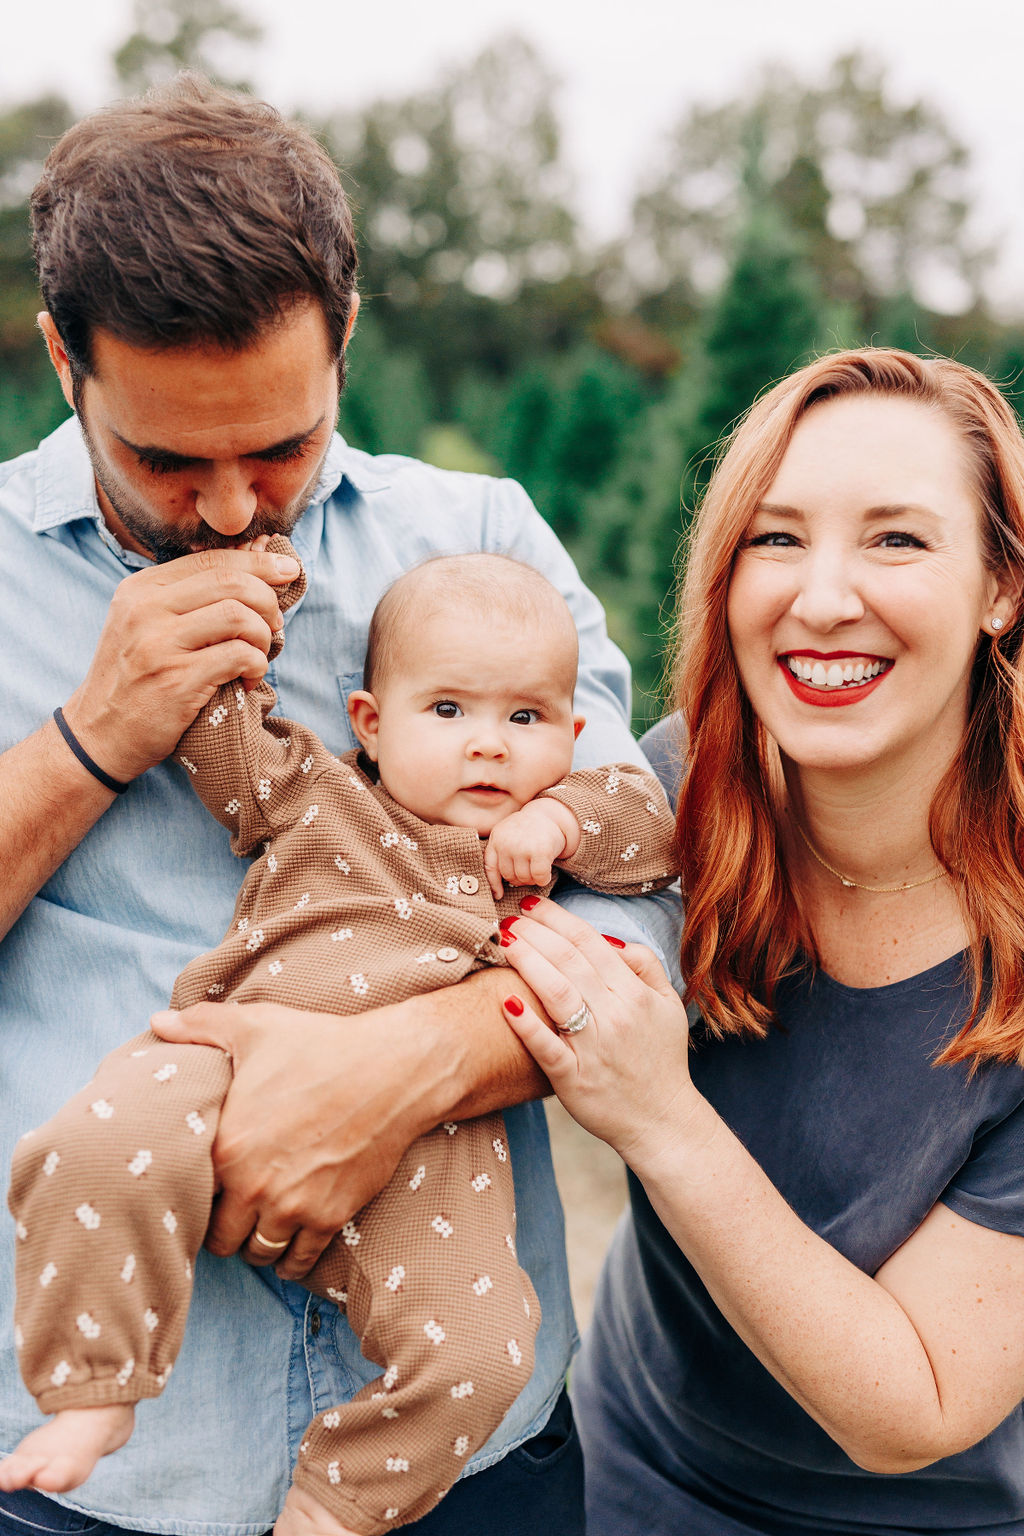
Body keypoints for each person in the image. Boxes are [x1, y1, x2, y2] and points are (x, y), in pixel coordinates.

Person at [0, 73, 680, 1536]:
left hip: (473, 1469)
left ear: (346, 340)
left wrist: (407, 1070)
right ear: (66, 358)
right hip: (108, 1491)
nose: (237, 509)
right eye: (170, 461)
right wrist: (93, 735)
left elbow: (642, 918)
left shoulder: (478, 544)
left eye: (282, 448)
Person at [5, 546, 675, 1536]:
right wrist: (253, 615)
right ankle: (95, 1388)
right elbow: (218, 733)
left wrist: (567, 819)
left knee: (482, 1351)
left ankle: (336, 1506)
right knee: (89, 1149)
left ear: (567, 736)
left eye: (523, 719)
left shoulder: (525, 855)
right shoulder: (322, 797)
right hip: (227, 1062)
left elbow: (652, 835)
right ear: (370, 722)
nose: (487, 746)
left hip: (432, 1147)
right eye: (447, 712)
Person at [497, 347, 1024, 1535]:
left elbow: (917, 1407)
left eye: (896, 540)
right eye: (775, 539)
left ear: (1000, 587)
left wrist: (660, 1116)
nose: (822, 597)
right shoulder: (668, 794)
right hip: (633, 1471)